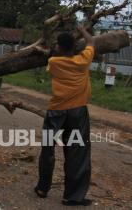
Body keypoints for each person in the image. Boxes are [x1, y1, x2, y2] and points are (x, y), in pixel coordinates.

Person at [34, 26, 95, 206]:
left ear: (59, 47)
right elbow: (91, 42)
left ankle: (42, 188)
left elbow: (53, 52)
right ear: (75, 47)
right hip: (77, 112)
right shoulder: (83, 60)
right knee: (78, 152)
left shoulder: (53, 62)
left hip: (56, 111)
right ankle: (72, 196)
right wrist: (82, 29)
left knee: (48, 148)